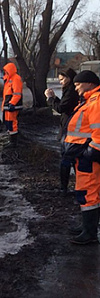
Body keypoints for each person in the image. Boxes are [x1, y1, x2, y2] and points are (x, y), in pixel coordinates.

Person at [63, 70, 100, 245]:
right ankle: (87, 226)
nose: (76, 87)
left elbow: (98, 133)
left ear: (90, 84)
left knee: (88, 192)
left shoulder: (96, 102)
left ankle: (90, 232)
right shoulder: (89, 100)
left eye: (78, 84)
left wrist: (89, 154)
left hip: (88, 157)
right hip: (83, 155)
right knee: (86, 191)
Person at [45, 68, 79, 195]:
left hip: (70, 129)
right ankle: (74, 186)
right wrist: (55, 98)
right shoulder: (70, 90)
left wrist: (50, 99)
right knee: (73, 159)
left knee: (67, 158)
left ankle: (64, 188)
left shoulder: (71, 91)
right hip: (70, 127)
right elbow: (64, 106)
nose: (60, 82)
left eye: (61, 79)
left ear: (68, 77)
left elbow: (61, 108)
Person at [1, 62, 23, 146]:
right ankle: (10, 139)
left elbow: (17, 93)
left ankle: (13, 142)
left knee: (12, 123)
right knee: (8, 122)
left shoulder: (16, 78)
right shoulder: (8, 79)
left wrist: (12, 103)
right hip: (8, 105)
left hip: (12, 105)